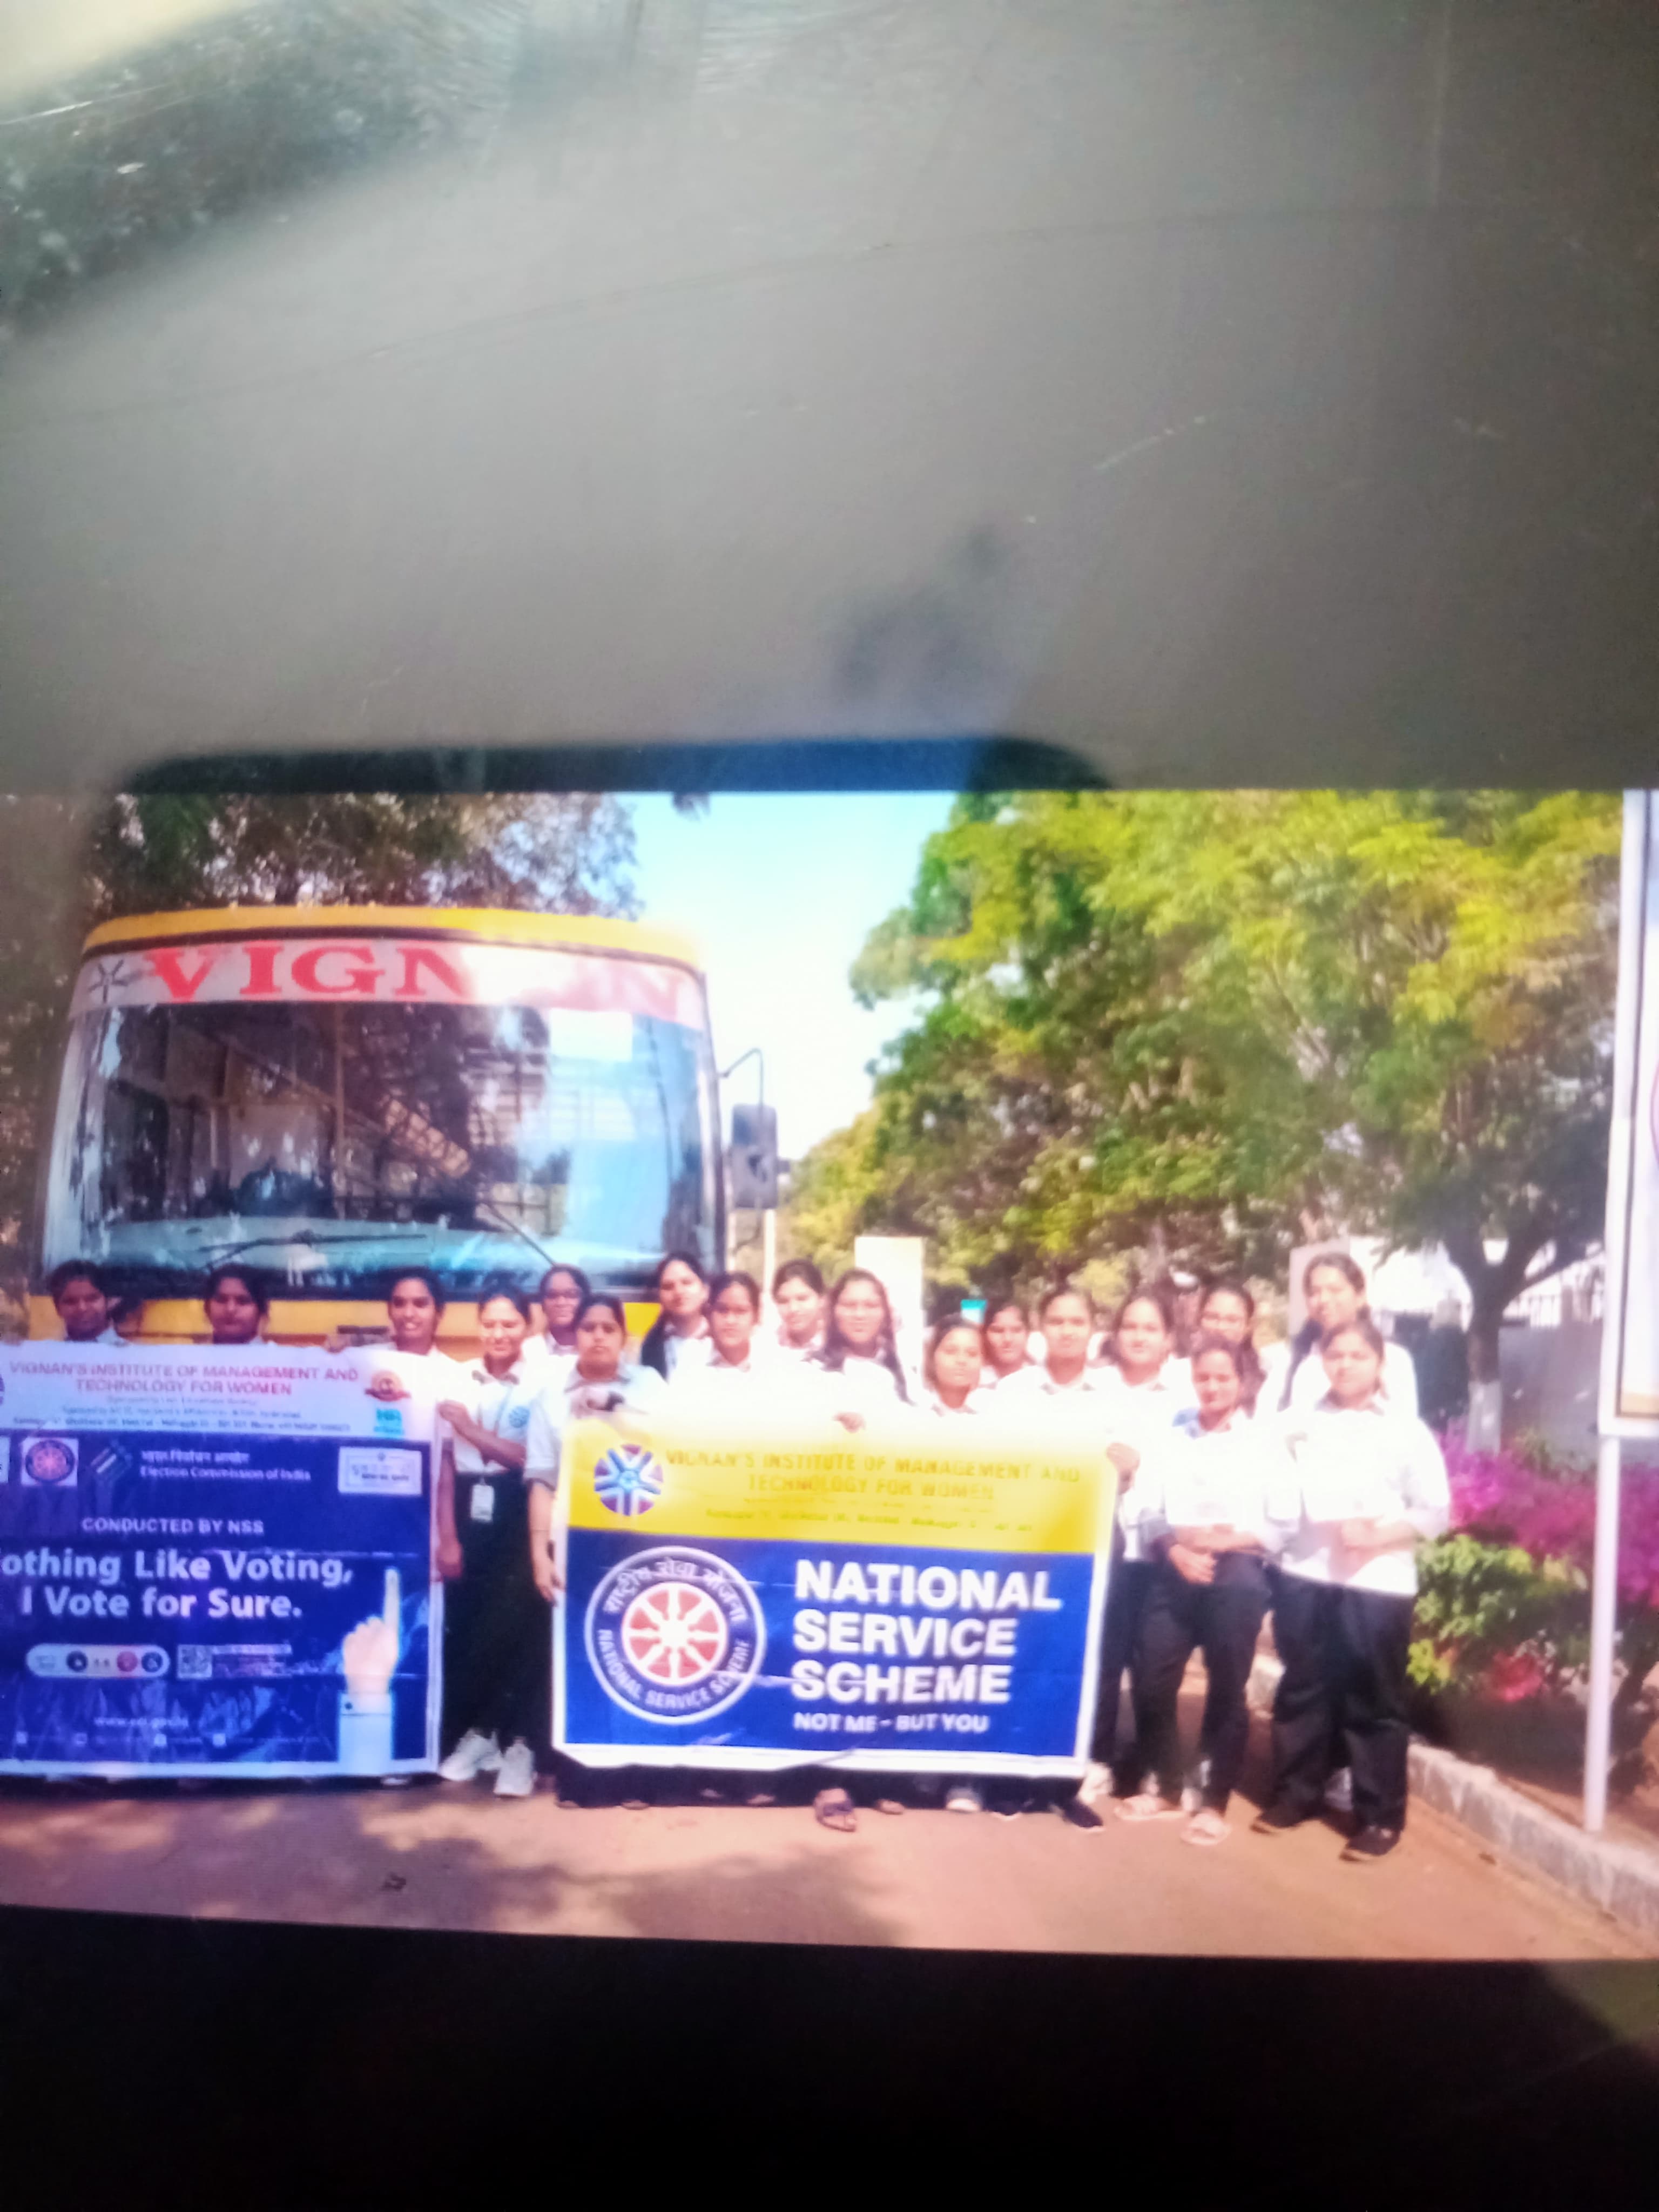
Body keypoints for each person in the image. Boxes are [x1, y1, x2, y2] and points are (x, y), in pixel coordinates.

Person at [1253, 1316, 1450, 1860]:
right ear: (1321, 1362)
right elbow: (1272, 1493)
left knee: (1375, 1698)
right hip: (1306, 1574)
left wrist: (1378, 1536)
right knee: (1303, 1688)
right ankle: (1295, 1794)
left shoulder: (1406, 1431)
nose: (1345, 1365)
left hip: (1377, 1581)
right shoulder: (1295, 1425)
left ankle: (1379, 1816)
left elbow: (1435, 1511)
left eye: (1358, 1356)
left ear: (1380, 1364)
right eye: (1335, 1355)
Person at [1116, 1336, 1289, 1844]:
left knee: (1227, 1685)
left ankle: (1214, 1800)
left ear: (1242, 1381)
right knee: (1152, 1675)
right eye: (1203, 1378)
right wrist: (1175, 1549)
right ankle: (1168, 1785)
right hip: (1176, 1566)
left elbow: (1283, 1522)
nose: (1212, 1387)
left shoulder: (1264, 1443)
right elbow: (1147, 1508)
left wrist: (1224, 1542)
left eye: (1223, 1378)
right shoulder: (1172, 1437)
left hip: (1237, 1573)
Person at [1001, 1286, 1142, 1814]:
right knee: (1027, 1646)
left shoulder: (1115, 1394)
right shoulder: (1012, 1391)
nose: (1066, 1330)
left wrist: (1119, 1461)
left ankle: (1082, 1769)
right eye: (1056, 1320)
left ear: (1092, 1329)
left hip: (1094, 1539)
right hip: (1027, 1539)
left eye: (1077, 1321)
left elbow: (1129, 1461)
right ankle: (1016, 1765)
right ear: (1041, 1328)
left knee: (1095, 1653)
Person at [434, 1288, 548, 1799]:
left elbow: (529, 1458)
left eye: (510, 1324)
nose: (498, 1334)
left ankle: (519, 1743)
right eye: (490, 1324)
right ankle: (481, 1735)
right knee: (473, 1626)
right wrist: (448, 1536)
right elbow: (443, 1461)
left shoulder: (542, 1384)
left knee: (517, 1627)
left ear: (527, 1327)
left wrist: (470, 1429)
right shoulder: (455, 1377)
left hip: (520, 1506)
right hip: (467, 1504)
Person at [523, 1293, 668, 1597]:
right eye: (589, 1328)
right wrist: (539, 1555)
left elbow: (672, 1443)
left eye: (609, 1328)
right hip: (573, 1537)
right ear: (576, 1336)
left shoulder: (649, 1384)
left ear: (623, 1337)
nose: (599, 1336)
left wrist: (614, 1405)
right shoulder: (550, 1397)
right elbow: (542, 1481)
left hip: (643, 1534)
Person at [1268, 1250, 1419, 1417]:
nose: (1323, 1300)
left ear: (1360, 1297)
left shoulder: (1393, 1359)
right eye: (1314, 1292)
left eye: (1335, 1290)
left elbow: (1404, 1425)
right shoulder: (1290, 1358)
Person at [811, 1269, 911, 1425]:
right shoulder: (813, 1371)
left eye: (871, 1305)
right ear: (834, 1311)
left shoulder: (906, 1371)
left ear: (885, 1313)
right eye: (849, 1305)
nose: (860, 1315)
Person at [1196, 1277, 1268, 1415]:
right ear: (1199, 1320)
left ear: (1248, 1326)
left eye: (1232, 1320)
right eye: (1212, 1317)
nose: (1220, 1327)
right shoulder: (1178, 1373)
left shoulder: (1266, 1375)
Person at [638, 1251, 713, 1380]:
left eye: (687, 1282)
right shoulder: (651, 1346)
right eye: (668, 1287)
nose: (679, 1292)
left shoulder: (722, 1339)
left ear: (705, 1291)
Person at [923, 1314, 989, 1418]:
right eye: (951, 1351)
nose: (961, 1360)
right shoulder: (915, 1405)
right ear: (933, 1355)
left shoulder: (994, 1407)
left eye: (972, 1353)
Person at [47, 1259, 124, 1344]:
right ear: (57, 1307)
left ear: (107, 1301)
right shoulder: (51, 1351)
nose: (82, 1308)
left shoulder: (126, 1351)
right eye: (71, 1301)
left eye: (92, 1299)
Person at [533, 1264, 590, 1364]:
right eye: (552, 1296)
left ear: (586, 1300)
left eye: (571, 1295)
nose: (561, 1303)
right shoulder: (529, 1351)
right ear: (542, 1302)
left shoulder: (597, 1349)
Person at [771, 1258, 826, 1362]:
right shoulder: (768, 1347)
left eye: (802, 1299)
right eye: (784, 1301)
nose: (793, 1309)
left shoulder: (837, 1347)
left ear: (822, 1299)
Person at [203, 1264, 269, 1345]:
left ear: (260, 1310)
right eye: (221, 1300)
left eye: (243, 1301)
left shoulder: (277, 1353)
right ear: (207, 1307)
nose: (230, 1309)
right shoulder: (193, 1352)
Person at [980, 1298, 1033, 1388]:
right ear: (984, 1334)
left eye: (1016, 1330)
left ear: (1028, 1333)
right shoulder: (974, 1382)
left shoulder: (1042, 1381)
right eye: (998, 1331)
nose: (1008, 1339)